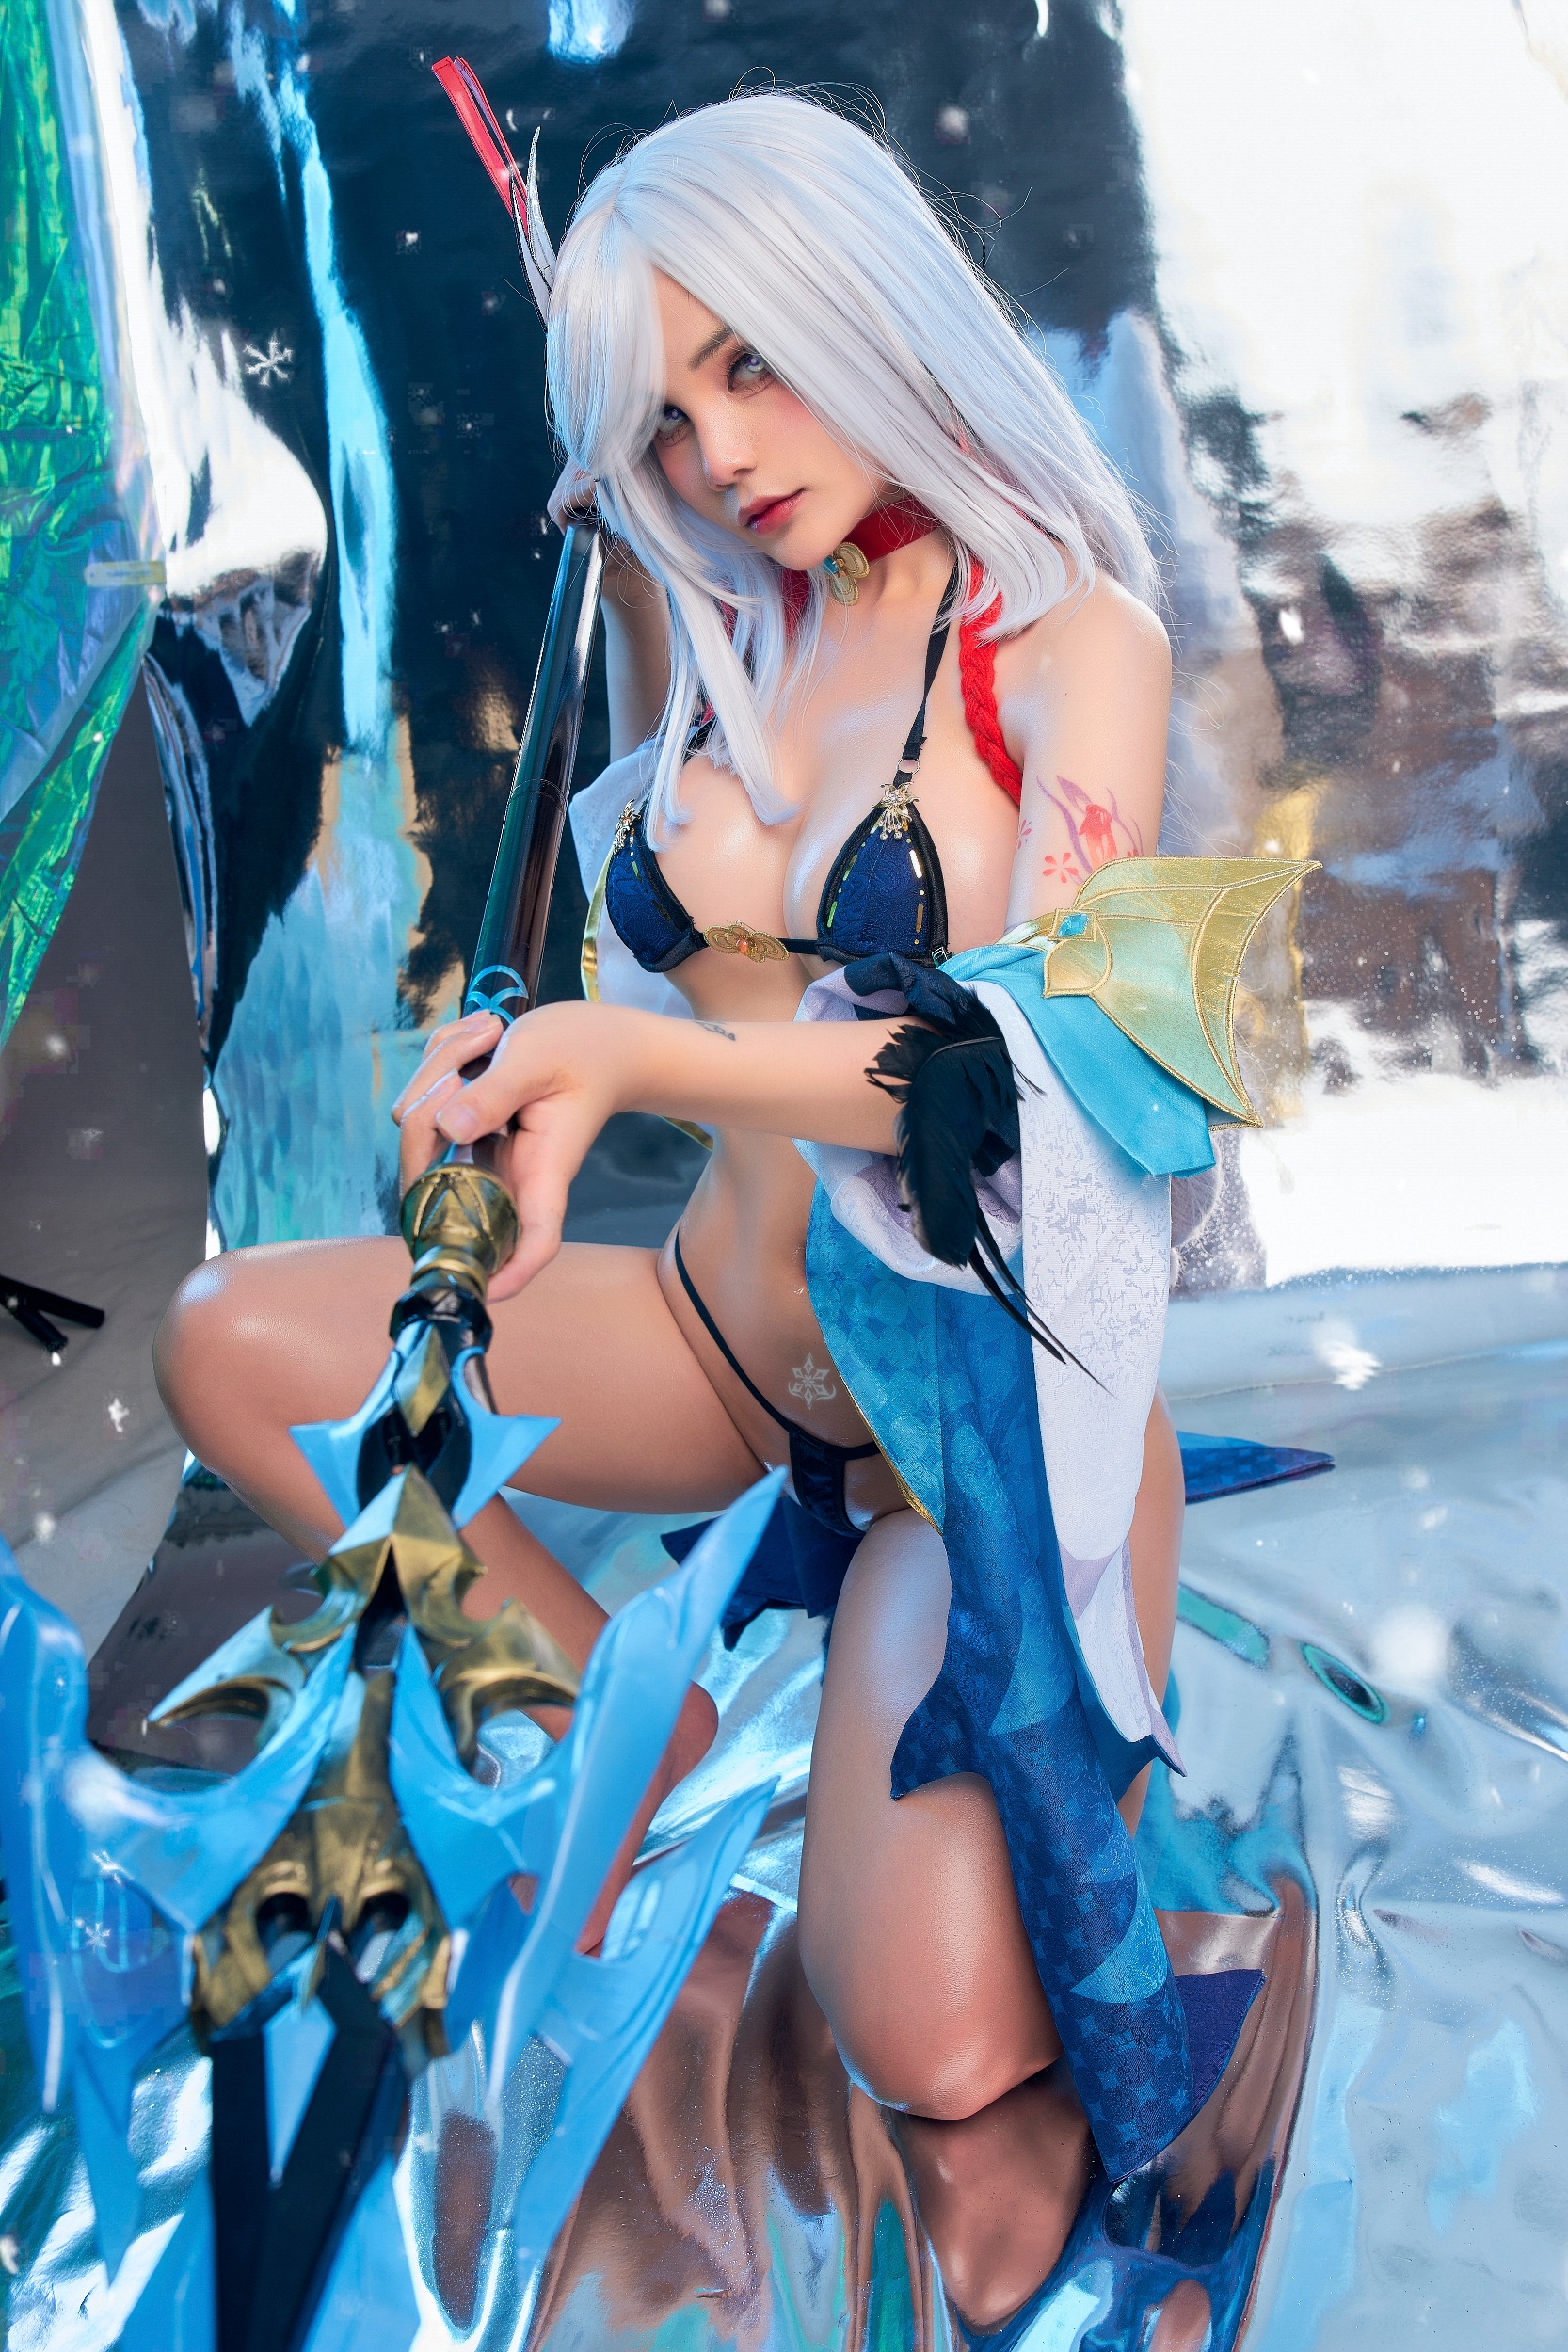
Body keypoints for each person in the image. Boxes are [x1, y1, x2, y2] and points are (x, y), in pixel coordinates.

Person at [156, 90, 1272, 2189]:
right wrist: (511, 1076)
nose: (722, 453)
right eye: (663, 416)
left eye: (750, 364)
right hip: (710, 1345)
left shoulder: (1064, 645)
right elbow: (652, 979)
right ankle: (651, 1776)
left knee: (937, 2046)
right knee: (240, 1344)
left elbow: (1012, 1081)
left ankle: (907, 1810)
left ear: (861, 297)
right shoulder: (714, 612)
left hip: (970, 1438)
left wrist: (624, 1060)